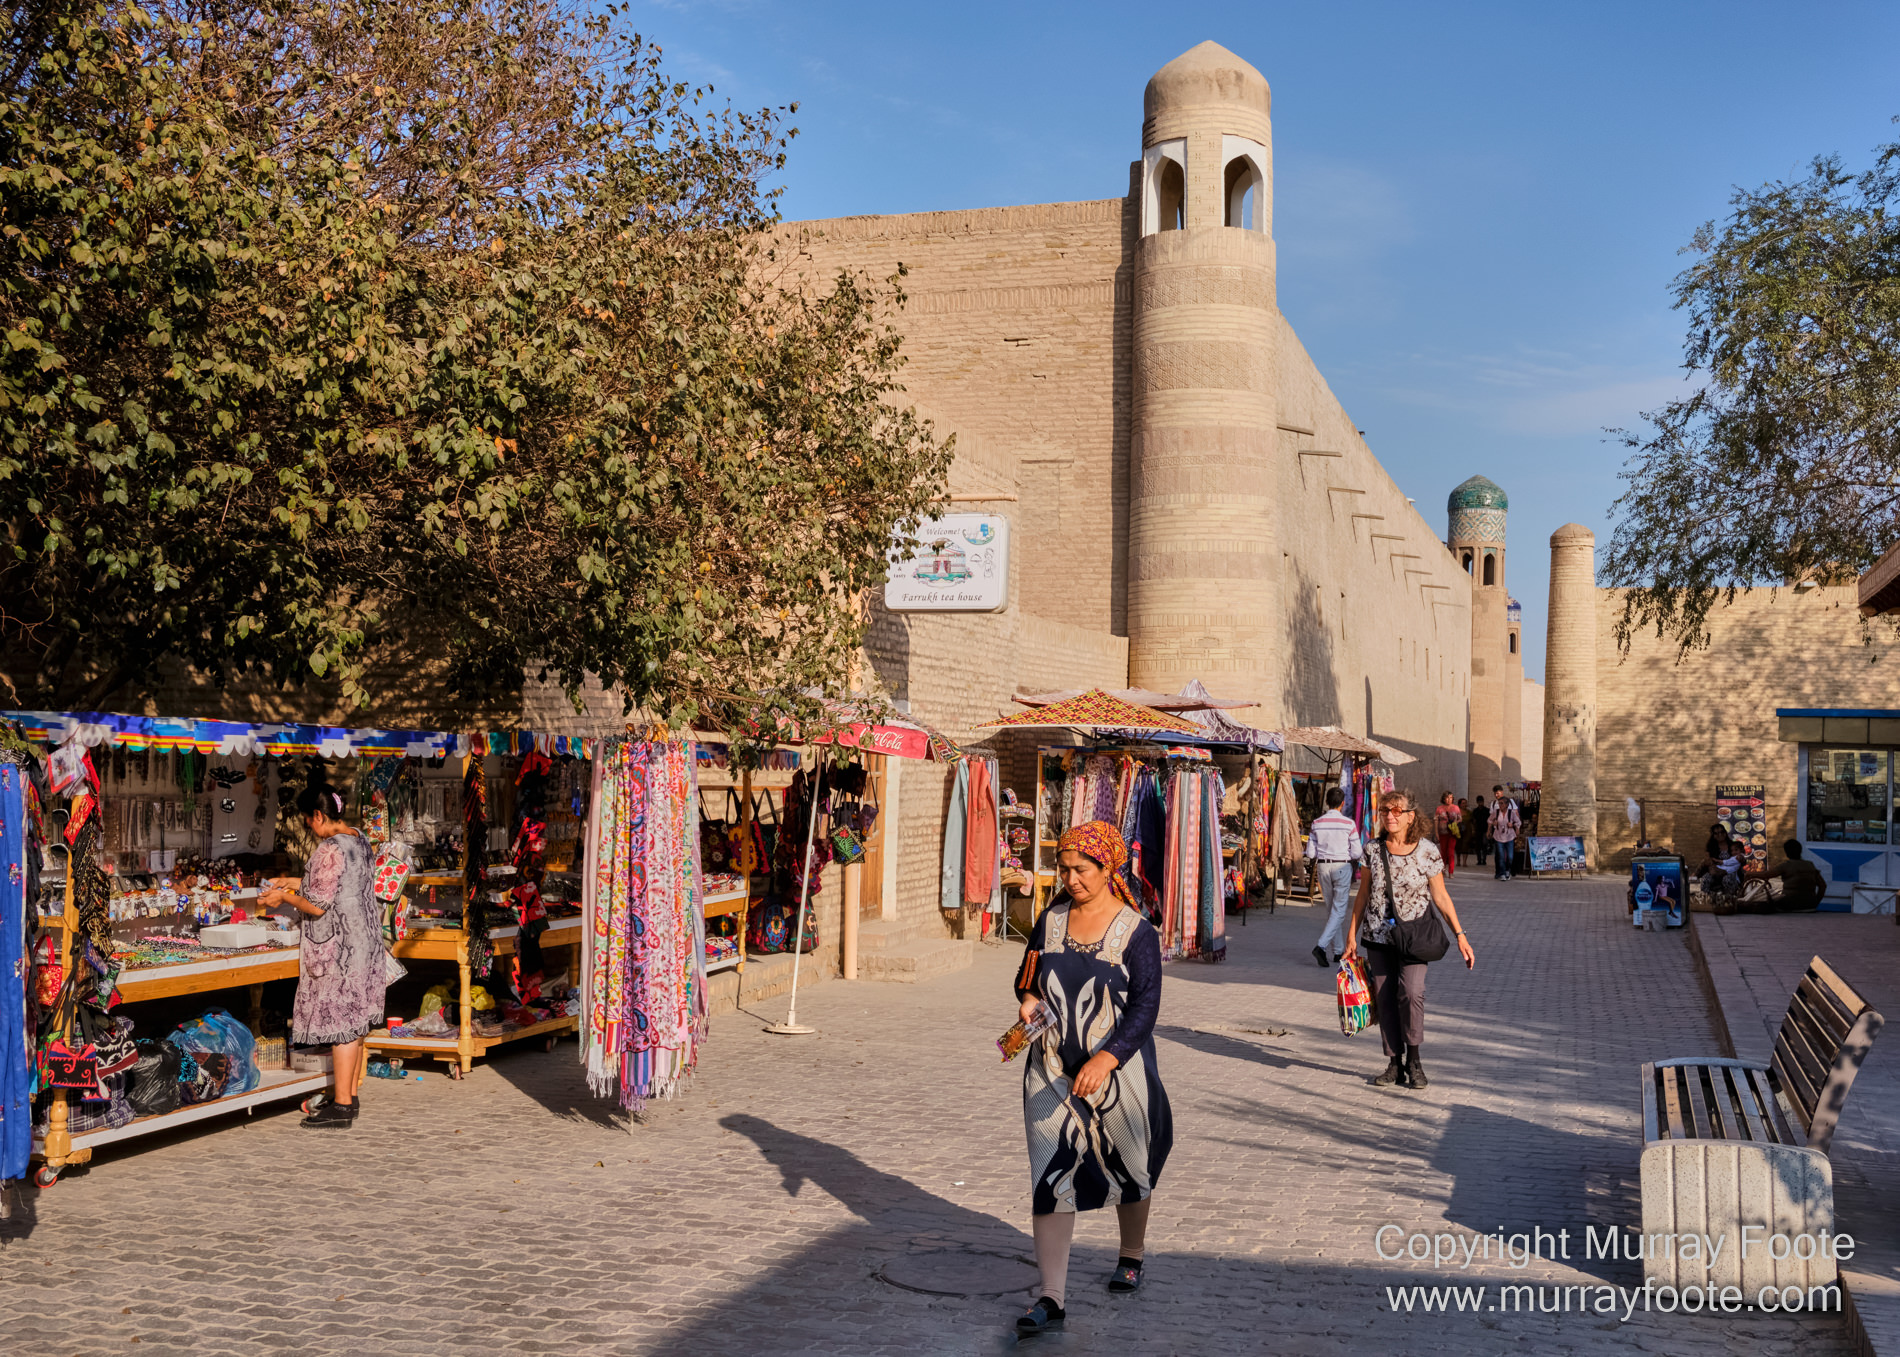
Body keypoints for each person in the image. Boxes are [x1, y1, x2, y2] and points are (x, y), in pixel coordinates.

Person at [1011, 821, 1172, 1335]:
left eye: (1082, 870)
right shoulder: (1050, 919)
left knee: (1130, 1162)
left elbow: (1146, 1008)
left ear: (1108, 869)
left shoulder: (1137, 932)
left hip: (1116, 1071)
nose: (1072, 878)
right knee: (1050, 1171)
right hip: (1052, 1067)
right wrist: (1029, 1004)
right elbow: (1028, 978)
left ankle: (1132, 1252)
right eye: (1065, 869)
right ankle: (1052, 1295)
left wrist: (1109, 1059)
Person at [258, 783, 388, 1129]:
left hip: (340, 946)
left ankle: (343, 1106)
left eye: (307, 819)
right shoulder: (358, 838)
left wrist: (282, 897)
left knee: (343, 1025)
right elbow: (334, 885)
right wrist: (289, 881)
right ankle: (348, 1095)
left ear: (318, 815)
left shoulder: (330, 848)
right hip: (366, 942)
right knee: (356, 1021)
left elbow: (317, 905)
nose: (308, 826)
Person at [1343, 791, 1476, 1089]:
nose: (1390, 815)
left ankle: (1414, 1060)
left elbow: (1441, 896)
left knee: (1412, 993)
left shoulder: (1427, 851)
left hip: (1415, 936)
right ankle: (1394, 1063)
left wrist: (1460, 936)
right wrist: (1351, 934)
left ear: (1410, 816)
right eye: (1385, 810)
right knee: (1385, 998)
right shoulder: (1372, 850)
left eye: (1397, 810)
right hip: (1378, 934)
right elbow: (1363, 895)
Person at [1307, 788, 1363, 967]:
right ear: (1342, 804)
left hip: (1323, 866)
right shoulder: (1349, 824)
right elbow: (1356, 852)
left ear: (1327, 802)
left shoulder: (1316, 823)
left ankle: (1338, 950)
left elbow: (1310, 853)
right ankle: (1321, 946)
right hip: (1342, 866)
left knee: (1332, 911)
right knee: (1338, 911)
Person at [1750, 839, 1828, 912]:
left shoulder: (1786, 865)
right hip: (1810, 905)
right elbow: (1823, 886)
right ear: (1800, 851)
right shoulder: (1810, 865)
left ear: (1786, 852)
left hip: (1789, 903)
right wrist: (1815, 902)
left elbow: (1766, 874)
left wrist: (1749, 874)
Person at [1488, 785, 1520, 880]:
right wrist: (1490, 828)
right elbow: (1490, 819)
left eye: (1497, 793)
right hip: (1498, 833)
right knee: (1499, 855)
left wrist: (1515, 826)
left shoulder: (1511, 803)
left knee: (1510, 856)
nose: (1496, 795)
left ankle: (1507, 870)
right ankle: (1500, 873)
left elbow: (1517, 817)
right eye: (1495, 793)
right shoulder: (1494, 804)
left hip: (1509, 834)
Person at [1433, 792, 1460, 877]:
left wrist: (1455, 822)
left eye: (1451, 798)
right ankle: (1443, 869)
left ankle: (1451, 872)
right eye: (1447, 798)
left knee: (1451, 852)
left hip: (1452, 833)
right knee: (1443, 852)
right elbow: (1436, 821)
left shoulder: (1456, 808)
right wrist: (1436, 833)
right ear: (1444, 799)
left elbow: (1460, 818)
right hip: (1442, 832)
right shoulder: (1439, 809)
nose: (1449, 800)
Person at [1470, 795, 1489, 868]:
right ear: (1477, 802)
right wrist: (1473, 830)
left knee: (1484, 845)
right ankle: (1479, 860)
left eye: (1481, 802)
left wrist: (1489, 831)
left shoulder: (1487, 811)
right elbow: (1473, 821)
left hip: (1485, 830)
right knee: (1478, 846)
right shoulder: (1475, 811)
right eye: (1479, 802)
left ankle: (1484, 860)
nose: (1480, 803)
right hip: (1478, 830)